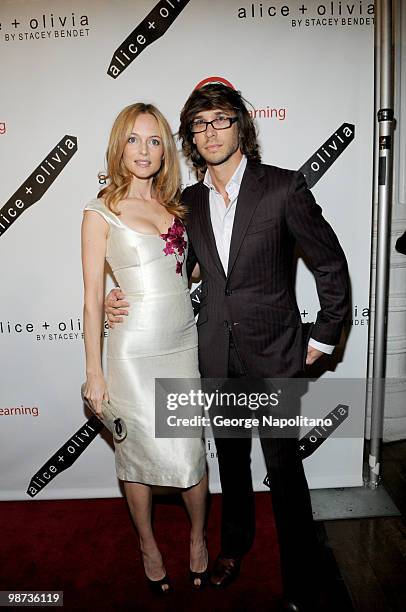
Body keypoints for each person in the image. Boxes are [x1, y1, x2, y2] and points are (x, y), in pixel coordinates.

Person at [106, 85, 349, 611]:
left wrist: (326, 333)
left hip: (274, 352)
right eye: (199, 124)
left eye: (220, 120)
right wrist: (115, 298)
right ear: (190, 137)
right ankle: (234, 548)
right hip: (213, 352)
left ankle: (301, 576)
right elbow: (165, 268)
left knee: (285, 469)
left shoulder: (283, 188)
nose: (211, 132)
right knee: (233, 462)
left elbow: (329, 262)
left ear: (241, 126)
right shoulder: (185, 203)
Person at [81, 102, 208, 595]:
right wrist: (94, 372)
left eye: (154, 141)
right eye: (134, 139)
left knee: (190, 455)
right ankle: (148, 544)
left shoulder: (177, 208)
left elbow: (189, 271)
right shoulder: (99, 211)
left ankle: (198, 539)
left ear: (165, 152)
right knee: (135, 458)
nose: (144, 149)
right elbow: (93, 297)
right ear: (119, 145)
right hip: (132, 354)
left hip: (182, 344)